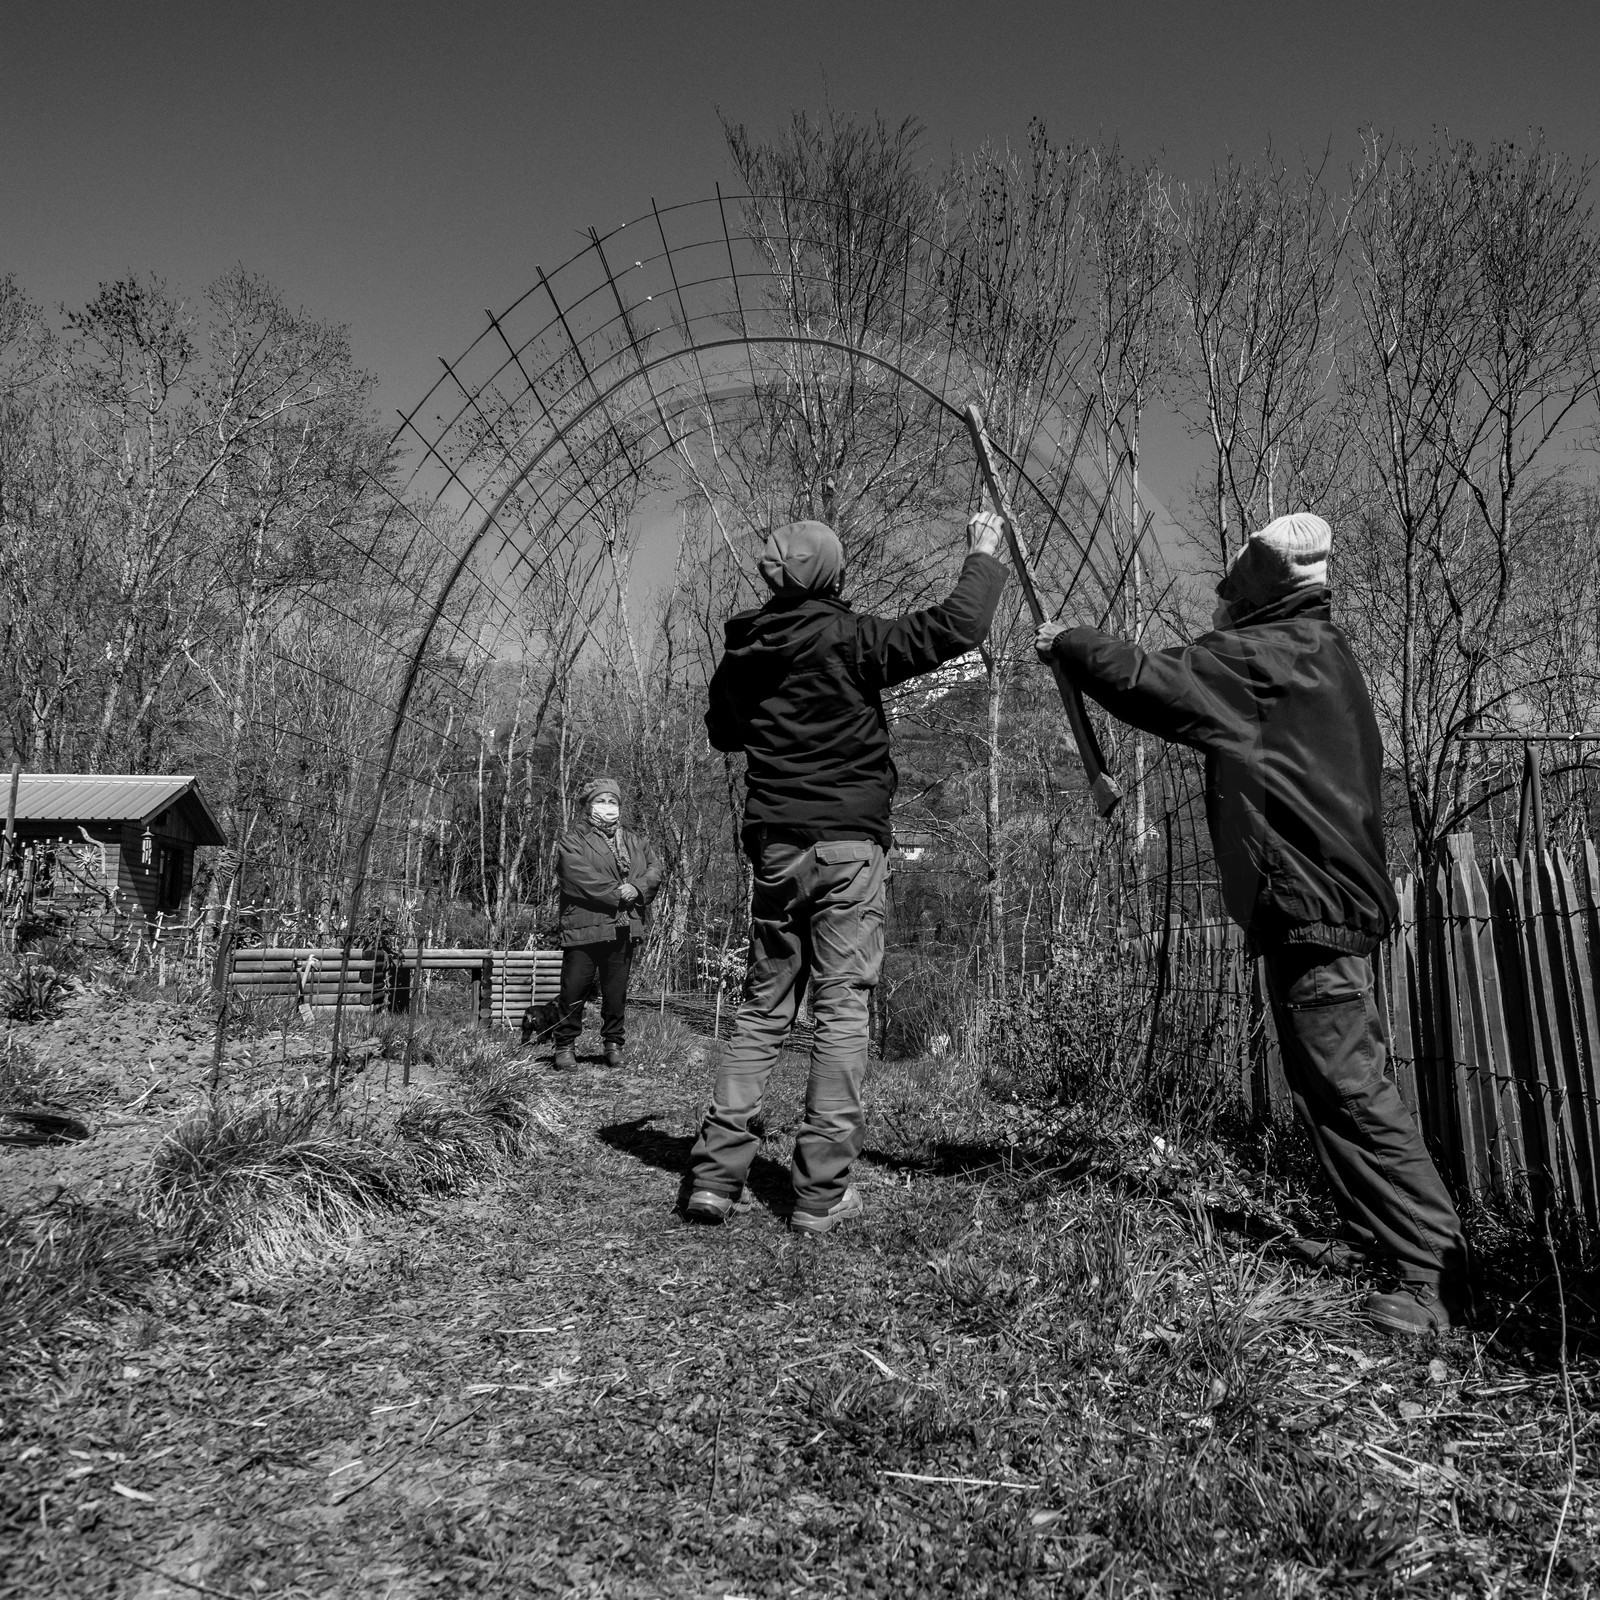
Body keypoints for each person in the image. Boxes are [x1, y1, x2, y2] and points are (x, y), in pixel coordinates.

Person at [1035, 512, 1468, 1337]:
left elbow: (1154, 681)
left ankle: (1436, 1274)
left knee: (1349, 1086)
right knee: (1326, 1083)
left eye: (1231, 594)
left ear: (1257, 596)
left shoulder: (1272, 658)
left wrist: (1070, 642)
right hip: (1315, 898)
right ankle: (1380, 1238)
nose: (1223, 607)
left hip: (1311, 900)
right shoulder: (1315, 650)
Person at [684, 513, 1008, 1233]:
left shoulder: (745, 651)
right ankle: (819, 1193)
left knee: (763, 1006)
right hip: (849, 849)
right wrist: (982, 554)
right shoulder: (852, 638)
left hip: (776, 848)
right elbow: (957, 627)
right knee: (840, 1009)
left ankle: (714, 1178)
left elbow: (723, 731)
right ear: (831, 575)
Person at [551, 777, 663, 1070]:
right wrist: (619, 893)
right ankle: (565, 1046)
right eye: (601, 801)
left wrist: (637, 887)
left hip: (623, 927)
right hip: (584, 926)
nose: (607, 806)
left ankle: (614, 1045)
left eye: (612, 801)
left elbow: (655, 869)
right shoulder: (573, 839)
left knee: (615, 993)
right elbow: (577, 877)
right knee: (574, 989)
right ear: (588, 805)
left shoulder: (636, 841)